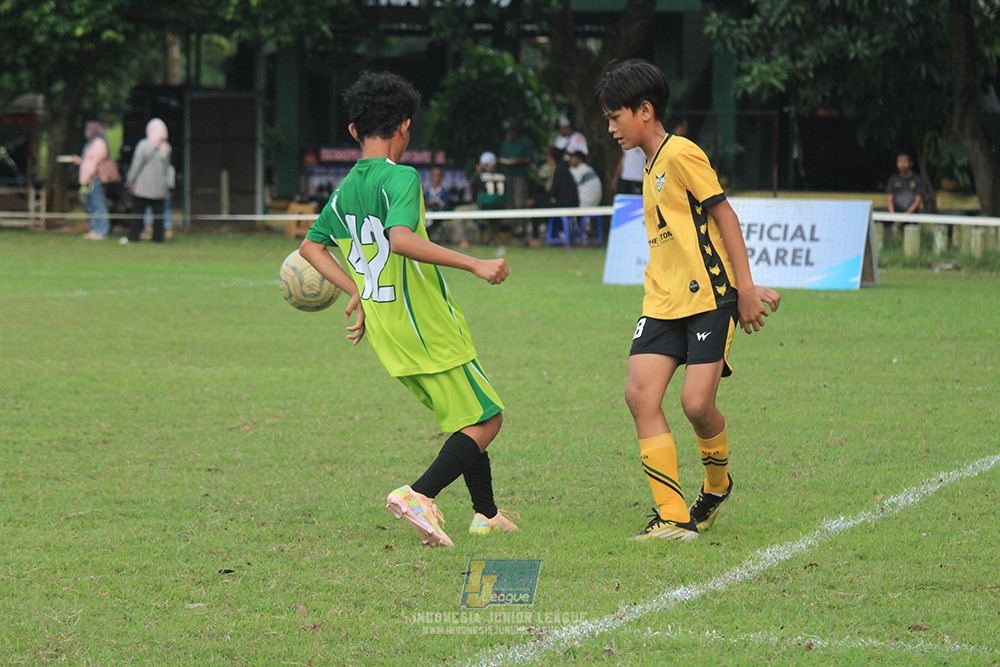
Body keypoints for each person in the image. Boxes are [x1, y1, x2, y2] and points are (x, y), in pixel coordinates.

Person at [298, 71, 518, 548]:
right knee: (488, 418)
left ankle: (485, 513)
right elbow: (399, 239)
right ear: (405, 125)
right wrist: (475, 263)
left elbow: (310, 248)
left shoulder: (343, 189)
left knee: (465, 414)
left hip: (386, 328)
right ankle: (419, 494)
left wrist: (357, 290)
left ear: (353, 131)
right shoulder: (401, 177)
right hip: (424, 323)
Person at [595, 59, 780, 542]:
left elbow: (726, 218)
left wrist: (744, 289)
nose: (611, 127)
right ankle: (673, 516)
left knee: (696, 405)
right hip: (662, 302)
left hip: (708, 300)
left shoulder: (680, 153)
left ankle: (716, 487)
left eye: (615, 116)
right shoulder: (648, 164)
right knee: (640, 395)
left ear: (645, 110)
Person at [123, 118, 172, 244]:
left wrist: (130, 180)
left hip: (143, 187)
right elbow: (167, 168)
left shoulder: (143, 145)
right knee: (159, 214)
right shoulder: (166, 147)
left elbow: (136, 165)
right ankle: (158, 238)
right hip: (160, 187)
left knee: (138, 213)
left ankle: (134, 236)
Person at [498, 118, 538, 243]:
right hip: (508, 175)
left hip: (520, 175)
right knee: (510, 203)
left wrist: (517, 161)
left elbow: (530, 158)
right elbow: (502, 157)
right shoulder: (505, 143)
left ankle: (522, 229)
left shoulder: (524, 142)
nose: (508, 133)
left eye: (510, 131)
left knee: (520, 202)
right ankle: (513, 229)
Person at [75, 121, 111, 240]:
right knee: (90, 205)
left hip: (94, 178)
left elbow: (94, 162)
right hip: (87, 179)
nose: (86, 133)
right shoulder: (91, 144)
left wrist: (88, 176)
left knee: (98, 203)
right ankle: (95, 229)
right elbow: (88, 161)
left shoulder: (98, 144)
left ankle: (102, 230)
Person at [886, 152, 923, 232]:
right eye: (900, 161)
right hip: (895, 217)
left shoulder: (917, 180)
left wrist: (904, 217)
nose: (902, 164)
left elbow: (917, 201)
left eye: (905, 161)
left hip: (911, 218)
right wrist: (894, 217)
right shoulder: (893, 179)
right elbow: (889, 199)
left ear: (910, 163)